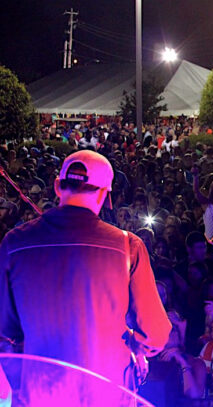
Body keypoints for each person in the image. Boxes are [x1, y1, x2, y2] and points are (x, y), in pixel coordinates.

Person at [0, 150, 171, 401]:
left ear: (58, 186)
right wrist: (134, 342)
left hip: (39, 391)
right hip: (108, 393)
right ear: (104, 194)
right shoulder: (127, 247)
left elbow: (5, 331)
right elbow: (155, 335)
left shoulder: (14, 243)